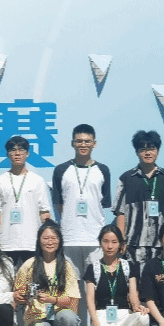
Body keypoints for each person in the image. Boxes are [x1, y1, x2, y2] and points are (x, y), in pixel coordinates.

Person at [52, 124, 113, 298]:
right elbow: (59, 203)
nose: (83, 145)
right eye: (79, 141)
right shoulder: (61, 170)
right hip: (69, 238)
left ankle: (94, 317)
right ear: (73, 143)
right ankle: (73, 318)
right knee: (70, 288)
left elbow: (104, 202)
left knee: (95, 287)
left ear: (94, 143)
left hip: (94, 238)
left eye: (87, 141)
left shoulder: (103, 170)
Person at [12, 220, 81, 326]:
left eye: (54, 238)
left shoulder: (66, 265)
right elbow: (18, 292)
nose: (50, 242)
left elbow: (72, 299)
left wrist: (52, 300)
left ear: (59, 241)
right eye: (45, 238)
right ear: (39, 241)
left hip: (60, 314)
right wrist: (21, 297)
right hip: (37, 316)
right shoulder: (29, 264)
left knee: (69, 317)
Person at [83, 224, 150, 326]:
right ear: (100, 243)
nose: (109, 246)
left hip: (124, 317)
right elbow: (90, 300)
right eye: (105, 241)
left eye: (114, 242)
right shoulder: (93, 268)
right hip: (102, 320)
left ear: (120, 244)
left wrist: (137, 306)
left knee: (143, 317)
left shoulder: (128, 266)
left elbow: (133, 295)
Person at [114, 130, 164, 267]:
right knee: (134, 279)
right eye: (143, 150)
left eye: (151, 149)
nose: (148, 153)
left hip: (162, 244)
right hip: (134, 244)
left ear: (157, 151)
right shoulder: (126, 178)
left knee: (160, 278)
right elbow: (120, 213)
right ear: (136, 152)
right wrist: (121, 240)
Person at [0, 136, 52, 268]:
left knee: (32, 278)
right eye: (13, 150)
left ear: (27, 153)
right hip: (6, 242)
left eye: (21, 150)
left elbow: (44, 213)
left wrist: (46, 239)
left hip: (31, 242)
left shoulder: (37, 181)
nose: (17, 153)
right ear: (7, 154)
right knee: (7, 278)